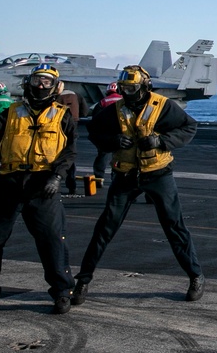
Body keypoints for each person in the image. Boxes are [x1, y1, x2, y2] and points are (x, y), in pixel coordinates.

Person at [71, 65, 204, 307]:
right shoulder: (115, 110)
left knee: (174, 226)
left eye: (132, 88)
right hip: (125, 176)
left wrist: (161, 141)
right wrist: (112, 141)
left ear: (144, 87)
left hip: (158, 174)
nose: (127, 93)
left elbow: (189, 127)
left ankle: (195, 276)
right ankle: (83, 280)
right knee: (105, 228)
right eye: (124, 88)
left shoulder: (162, 105)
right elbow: (94, 131)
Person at [0, 64, 77, 316]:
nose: (40, 85)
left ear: (56, 86)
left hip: (43, 187)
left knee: (52, 240)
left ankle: (61, 292)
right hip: (9, 183)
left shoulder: (62, 115)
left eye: (47, 81)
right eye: (37, 80)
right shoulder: (10, 113)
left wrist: (57, 177)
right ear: (28, 82)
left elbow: (69, 151)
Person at [54, 85, 89, 196]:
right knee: (70, 154)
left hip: (58, 125)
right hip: (74, 123)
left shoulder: (56, 96)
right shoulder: (76, 95)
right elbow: (85, 111)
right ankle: (72, 185)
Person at [91, 82, 122, 179]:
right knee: (121, 156)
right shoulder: (124, 100)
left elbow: (95, 118)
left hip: (106, 133)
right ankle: (116, 176)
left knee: (103, 155)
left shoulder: (103, 102)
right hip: (122, 132)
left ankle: (99, 177)